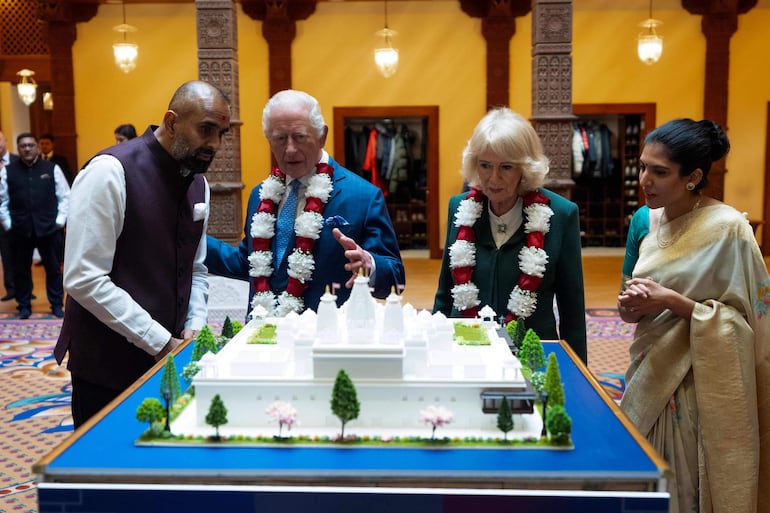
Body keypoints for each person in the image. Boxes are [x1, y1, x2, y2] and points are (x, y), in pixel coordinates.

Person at [53, 80, 231, 429]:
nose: (214, 144)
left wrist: (194, 327)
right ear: (171, 121)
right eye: (206, 130)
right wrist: (160, 342)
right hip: (107, 367)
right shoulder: (109, 171)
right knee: (108, 459)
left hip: (170, 359)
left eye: (221, 134)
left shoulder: (199, 183)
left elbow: (196, 269)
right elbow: (83, 277)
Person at [617, 118, 770, 512]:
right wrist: (631, 305)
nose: (645, 180)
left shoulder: (729, 229)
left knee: (684, 483)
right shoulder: (644, 221)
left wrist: (672, 301)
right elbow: (630, 309)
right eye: (642, 167)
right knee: (642, 470)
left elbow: (749, 321)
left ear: (694, 177)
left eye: (660, 172)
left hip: (697, 379)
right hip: (648, 367)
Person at [206, 89, 405, 317]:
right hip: (265, 331)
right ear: (269, 140)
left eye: (299, 137)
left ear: (322, 136)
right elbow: (248, 263)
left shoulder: (363, 196)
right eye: (280, 138)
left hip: (328, 330)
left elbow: (396, 276)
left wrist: (371, 265)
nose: (290, 149)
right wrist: (193, 240)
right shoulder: (258, 196)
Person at [432, 107, 587, 363]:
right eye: (485, 165)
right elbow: (445, 292)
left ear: (524, 169)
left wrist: (577, 372)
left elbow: (572, 310)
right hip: (466, 351)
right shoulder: (459, 208)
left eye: (506, 167)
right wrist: (436, 353)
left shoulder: (560, 215)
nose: (493, 178)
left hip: (532, 354)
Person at [0, 133, 70, 319]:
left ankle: (56, 305)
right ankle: (24, 306)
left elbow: (65, 197)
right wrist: (8, 225)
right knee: (21, 270)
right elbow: (2, 201)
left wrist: (59, 222)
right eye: (23, 146)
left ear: (37, 148)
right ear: (18, 148)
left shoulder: (52, 168)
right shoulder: (8, 171)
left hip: (49, 229)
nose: (27, 149)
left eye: (31, 145)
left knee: (53, 270)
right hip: (20, 230)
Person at [0, 131, 19, 302]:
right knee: (6, 254)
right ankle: (11, 288)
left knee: (21, 254)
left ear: (5, 141)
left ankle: (25, 289)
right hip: (1, 216)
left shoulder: (17, 161)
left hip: (17, 214)